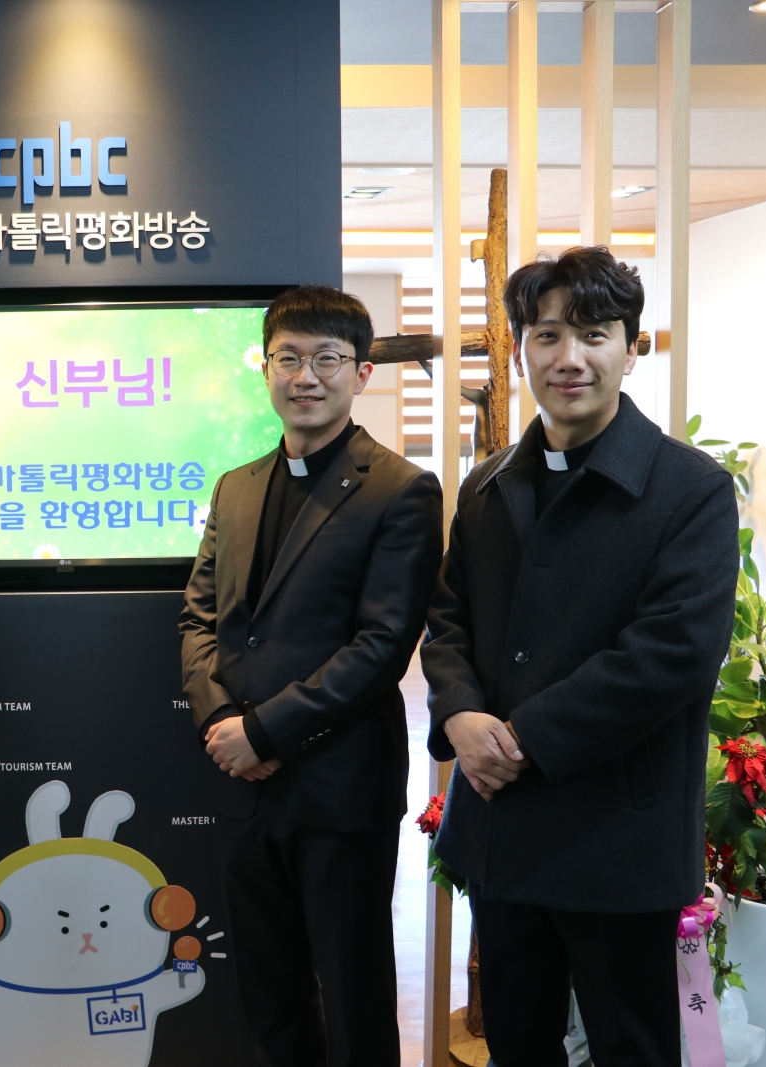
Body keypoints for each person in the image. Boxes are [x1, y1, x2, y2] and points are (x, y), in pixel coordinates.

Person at [423, 247, 740, 1067]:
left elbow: (672, 653)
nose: (570, 357)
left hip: (618, 834)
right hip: (503, 829)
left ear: (630, 350)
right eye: (548, 334)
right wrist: (459, 714)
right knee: (517, 1041)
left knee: (633, 1047)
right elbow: (448, 618)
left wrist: (521, 738)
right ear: (521, 349)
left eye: (594, 334)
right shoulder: (488, 484)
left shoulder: (690, 489)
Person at [180, 286, 443, 1067]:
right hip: (243, 784)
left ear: (361, 373)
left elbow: (383, 644)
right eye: (288, 358)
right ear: (264, 367)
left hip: (339, 786)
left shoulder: (401, 488)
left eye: (327, 359)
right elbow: (199, 617)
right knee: (268, 993)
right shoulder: (235, 485)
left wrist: (263, 731)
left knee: (354, 995)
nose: (305, 376)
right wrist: (219, 723)